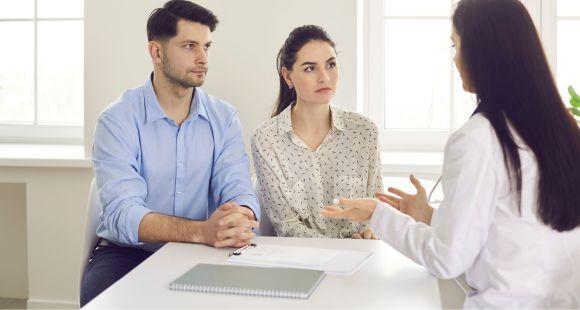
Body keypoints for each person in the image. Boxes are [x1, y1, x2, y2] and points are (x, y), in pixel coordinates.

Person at [321, 0, 580, 307]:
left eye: (455, 45)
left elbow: (446, 259)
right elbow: (516, 227)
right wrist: (431, 216)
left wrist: (376, 213)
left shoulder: (478, 139)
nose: (455, 59)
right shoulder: (564, 130)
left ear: (482, 53)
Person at [81, 0, 259, 306]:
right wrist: (202, 231)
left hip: (206, 252)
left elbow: (239, 189)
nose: (203, 58)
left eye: (206, 46)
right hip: (127, 253)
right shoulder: (117, 120)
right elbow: (124, 213)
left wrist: (240, 217)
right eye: (190, 46)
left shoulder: (224, 118)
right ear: (156, 52)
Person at [252, 25, 383, 239]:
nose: (325, 77)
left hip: (360, 256)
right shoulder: (267, 139)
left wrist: (369, 233)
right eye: (310, 68)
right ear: (288, 76)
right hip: (301, 262)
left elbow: (376, 207)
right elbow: (286, 225)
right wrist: (340, 249)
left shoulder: (365, 132)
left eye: (331, 65)